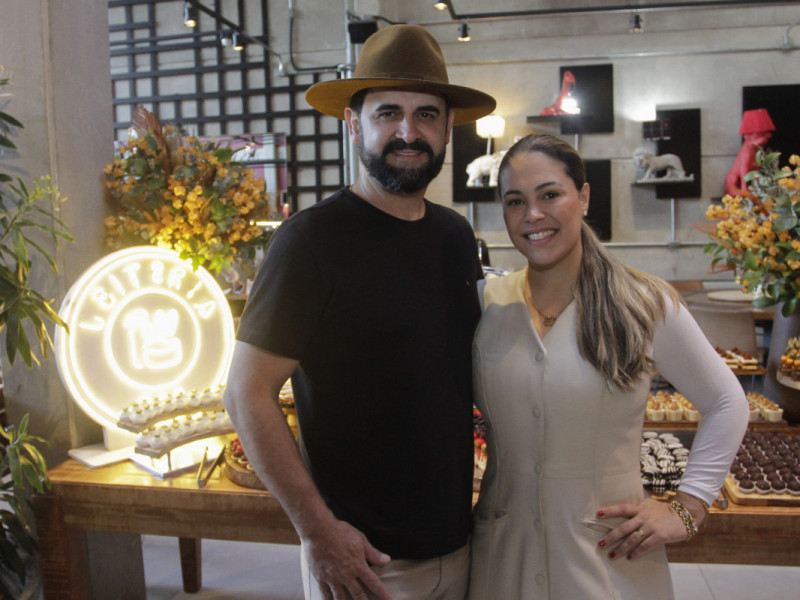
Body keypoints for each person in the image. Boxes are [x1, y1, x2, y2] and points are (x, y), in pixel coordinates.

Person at [223, 24, 496, 600]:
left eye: (426, 114)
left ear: (448, 128)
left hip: (461, 542)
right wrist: (317, 530)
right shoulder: (310, 242)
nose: (408, 131)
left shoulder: (454, 236)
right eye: (388, 112)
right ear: (355, 124)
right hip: (365, 562)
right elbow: (246, 393)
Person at [468, 134, 750, 600]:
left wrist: (689, 506)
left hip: (610, 563)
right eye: (515, 201)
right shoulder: (485, 304)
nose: (532, 215)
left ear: (583, 196)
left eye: (550, 194)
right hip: (502, 563)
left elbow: (726, 401)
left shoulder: (643, 302)